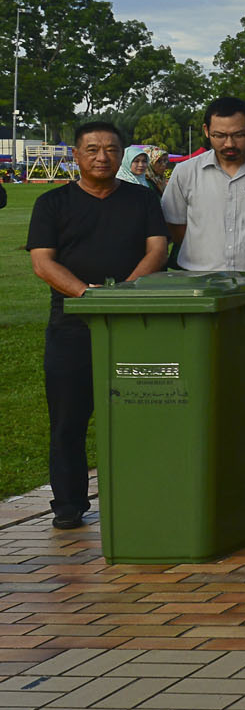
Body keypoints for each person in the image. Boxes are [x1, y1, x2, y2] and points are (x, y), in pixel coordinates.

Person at [27, 120, 170, 529]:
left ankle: (142, 496)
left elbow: (157, 250)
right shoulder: (53, 204)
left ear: (121, 155)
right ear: (76, 155)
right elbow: (43, 262)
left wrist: (123, 294)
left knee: (142, 414)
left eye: (110, 149)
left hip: (135, 322)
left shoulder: (142, 202)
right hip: (72, 324)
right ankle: (69, 507)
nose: (102, 156)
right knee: (68, 420)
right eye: (92, 149)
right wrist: (89, 296)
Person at [162, 96, 245, 272]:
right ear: (206, 131)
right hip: (197, 280)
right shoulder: (186, 172)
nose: (229, 144)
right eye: (219, 135)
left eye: (239, 135)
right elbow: (176, 225)